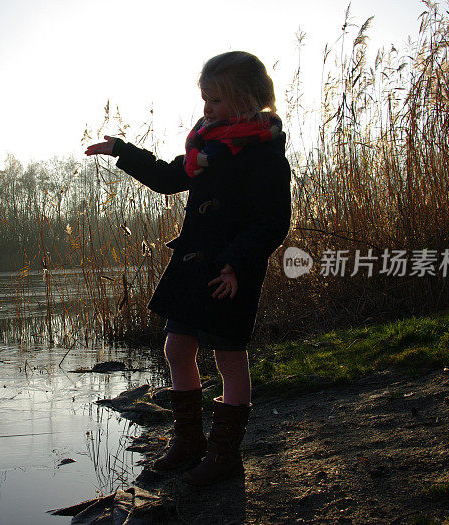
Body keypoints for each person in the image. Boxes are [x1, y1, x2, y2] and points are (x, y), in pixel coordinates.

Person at [85, 51, 291, 486]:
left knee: (229, 358)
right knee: (176, 348)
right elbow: (165, 177)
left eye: (215, 100)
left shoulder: (267, 157)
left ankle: (224, 455)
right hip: (193, 264)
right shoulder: (207, 151)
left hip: (230, 272)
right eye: (204, 99)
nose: (206, 109)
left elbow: (272, 223)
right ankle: (188, 443)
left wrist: (236, 262)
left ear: (248, 99)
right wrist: (123, 150)